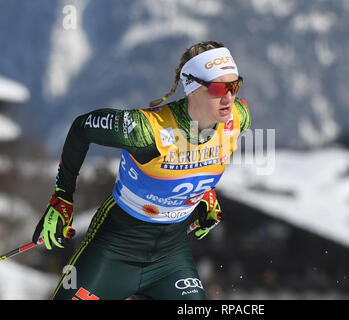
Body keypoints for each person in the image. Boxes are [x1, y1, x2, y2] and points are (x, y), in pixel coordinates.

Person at [32, 40, 251, 300]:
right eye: (218, 88)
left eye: (234, 85)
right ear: (192, 88)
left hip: (170, 259)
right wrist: (62, 198)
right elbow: (83, 127)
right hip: (114, 250)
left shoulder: (237, 118)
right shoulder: (148, 130)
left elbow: (197, 159)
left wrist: (204, 194)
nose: (228, 97)